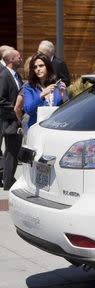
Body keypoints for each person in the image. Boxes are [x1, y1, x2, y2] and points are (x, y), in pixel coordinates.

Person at [22, 53, 67, 129]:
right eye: (35, 67)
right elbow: (28, 110)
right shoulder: (29, 87)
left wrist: (65, 97)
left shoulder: (58, 86)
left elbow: (67, 111)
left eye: (41, 65)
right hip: (37, 128)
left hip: (56, 127)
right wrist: (42, 95)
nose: (38, 69)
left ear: (48, 67)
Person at [0, 49, 23, 190]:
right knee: (11, 153)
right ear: (11, 60)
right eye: (18, 57)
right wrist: (16, 108)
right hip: (9, 120)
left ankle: (8, 181)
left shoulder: (16, 75)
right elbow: (1, 99)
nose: (21, 59)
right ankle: (8, 183)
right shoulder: (4, 76)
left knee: (13, 152)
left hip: (16, 119)